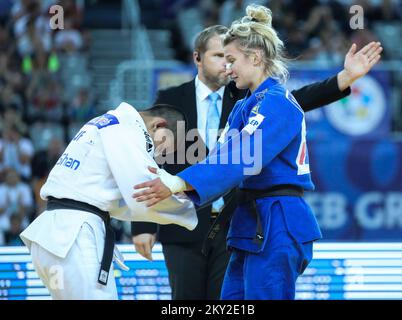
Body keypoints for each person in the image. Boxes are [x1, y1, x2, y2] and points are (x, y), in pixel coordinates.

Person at [132, 4, 383, 300]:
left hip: (276, 221)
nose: (227, 68)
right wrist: (173, 189)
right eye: (223, 59)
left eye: (231, 59)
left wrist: (177, 182)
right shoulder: (245, 106)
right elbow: (218, 161)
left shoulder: (276, 101)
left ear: (254, 57)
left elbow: (241, 158)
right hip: (249, 224)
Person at [20, 102, 197, 300]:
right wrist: (190, 203)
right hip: (73, 236)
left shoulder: (105, 123)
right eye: (162, 146)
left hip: (57, 234)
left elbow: (121, 200)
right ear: (158, 125)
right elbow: (142, 190)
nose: (157, 153)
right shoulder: (127, 129)